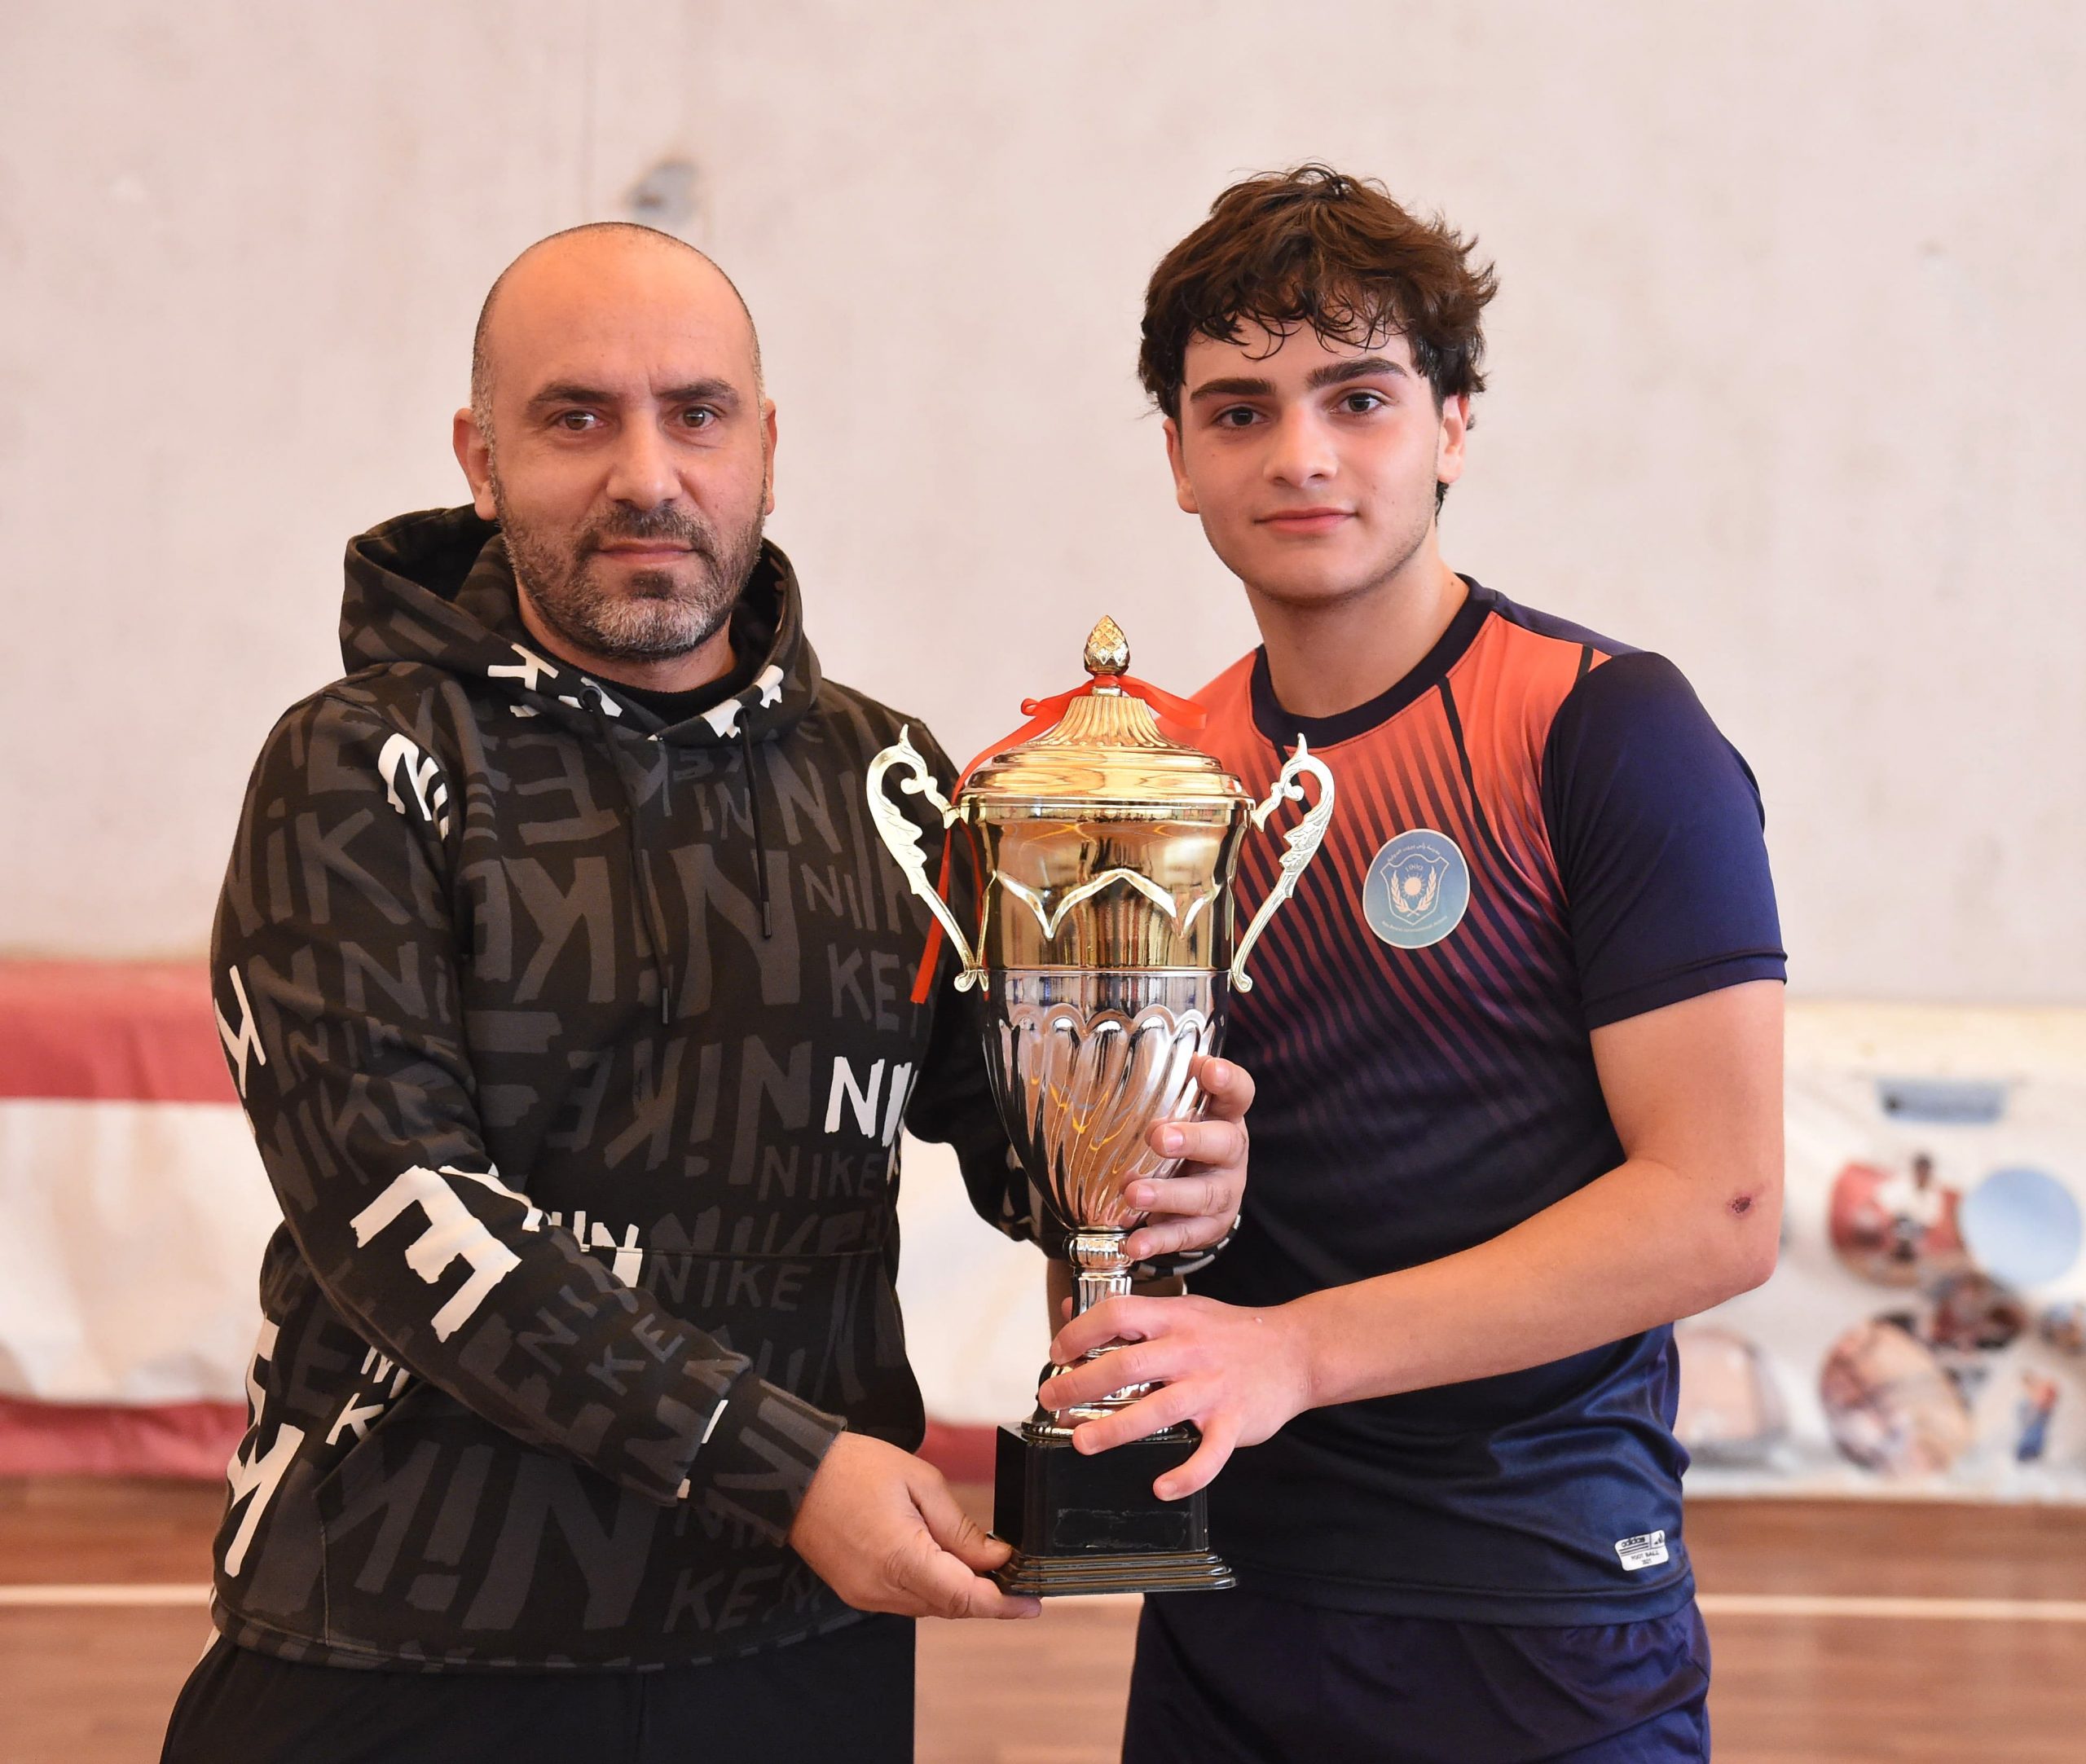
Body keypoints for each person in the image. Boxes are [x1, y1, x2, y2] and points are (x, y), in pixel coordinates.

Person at [161, 222, 1252, 1764]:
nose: (647, 475)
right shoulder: (356, 763)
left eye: (697, 413)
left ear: (768, 449)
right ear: (480, 459)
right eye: (575, 418)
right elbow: (401, 1211)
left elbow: (1014, 1135)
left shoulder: (894, 780)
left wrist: (1152, 1172)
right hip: (401, 1641)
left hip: (793, 1646)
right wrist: (785, 1464)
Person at [1041, 167, 1787, 1763]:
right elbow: (1120, 1208)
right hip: (1228, 1603)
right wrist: (1139, 1213)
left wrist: (1296, 1350)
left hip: (1538, 1612)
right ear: (1177, 458)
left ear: (1452, 425)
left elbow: (1718, 1204)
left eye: (1359, 398)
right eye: (1238, 411)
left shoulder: (1603, 727)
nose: (1300, 454)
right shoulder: (1159, 781)